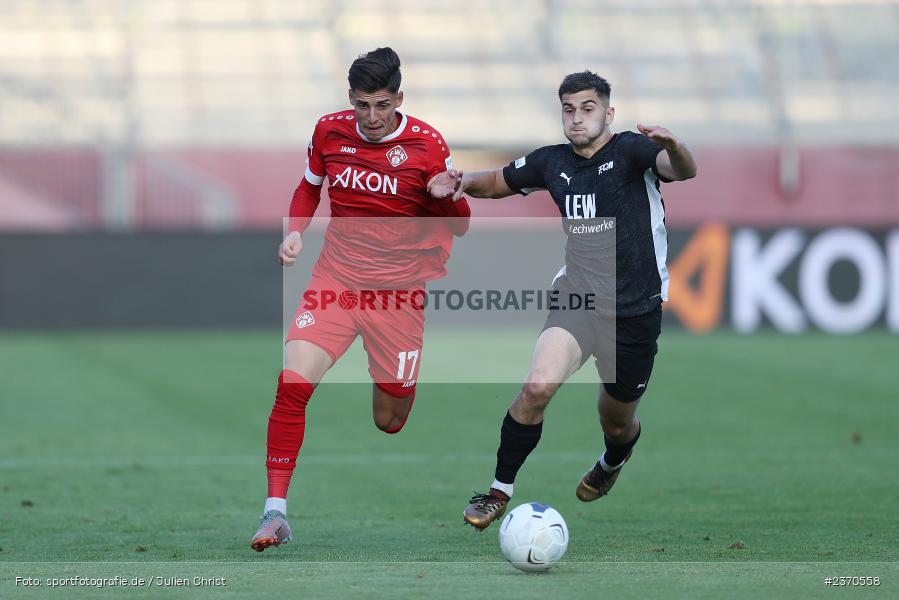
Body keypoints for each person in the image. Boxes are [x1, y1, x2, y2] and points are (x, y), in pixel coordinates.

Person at [432, 70, 696, 530]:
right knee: (536, 388)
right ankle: (498, 491)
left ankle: (612, 462)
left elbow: (683, 170)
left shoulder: (633, 152)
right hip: (577, 298)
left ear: (608, 113)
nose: (577, 118)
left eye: (588, 109)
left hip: (635, 312)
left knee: (616, 422)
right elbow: (498, 180)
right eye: (569, 109)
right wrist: (461, 181)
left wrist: (673, 144)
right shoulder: (550, 162)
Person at [251, 47, 470, 551]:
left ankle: (397, 381)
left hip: (397, 296)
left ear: (399, 98)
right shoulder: (328, 130)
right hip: (337, 280)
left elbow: (461, 223)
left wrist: (447, 195)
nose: (371, 118)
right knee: (291, 384)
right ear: (350, 99)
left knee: (389, 421)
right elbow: (309, 188)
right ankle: (275, 512)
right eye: (361, 105)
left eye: (381, 105)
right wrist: (295, 233)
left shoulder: (428, 144)